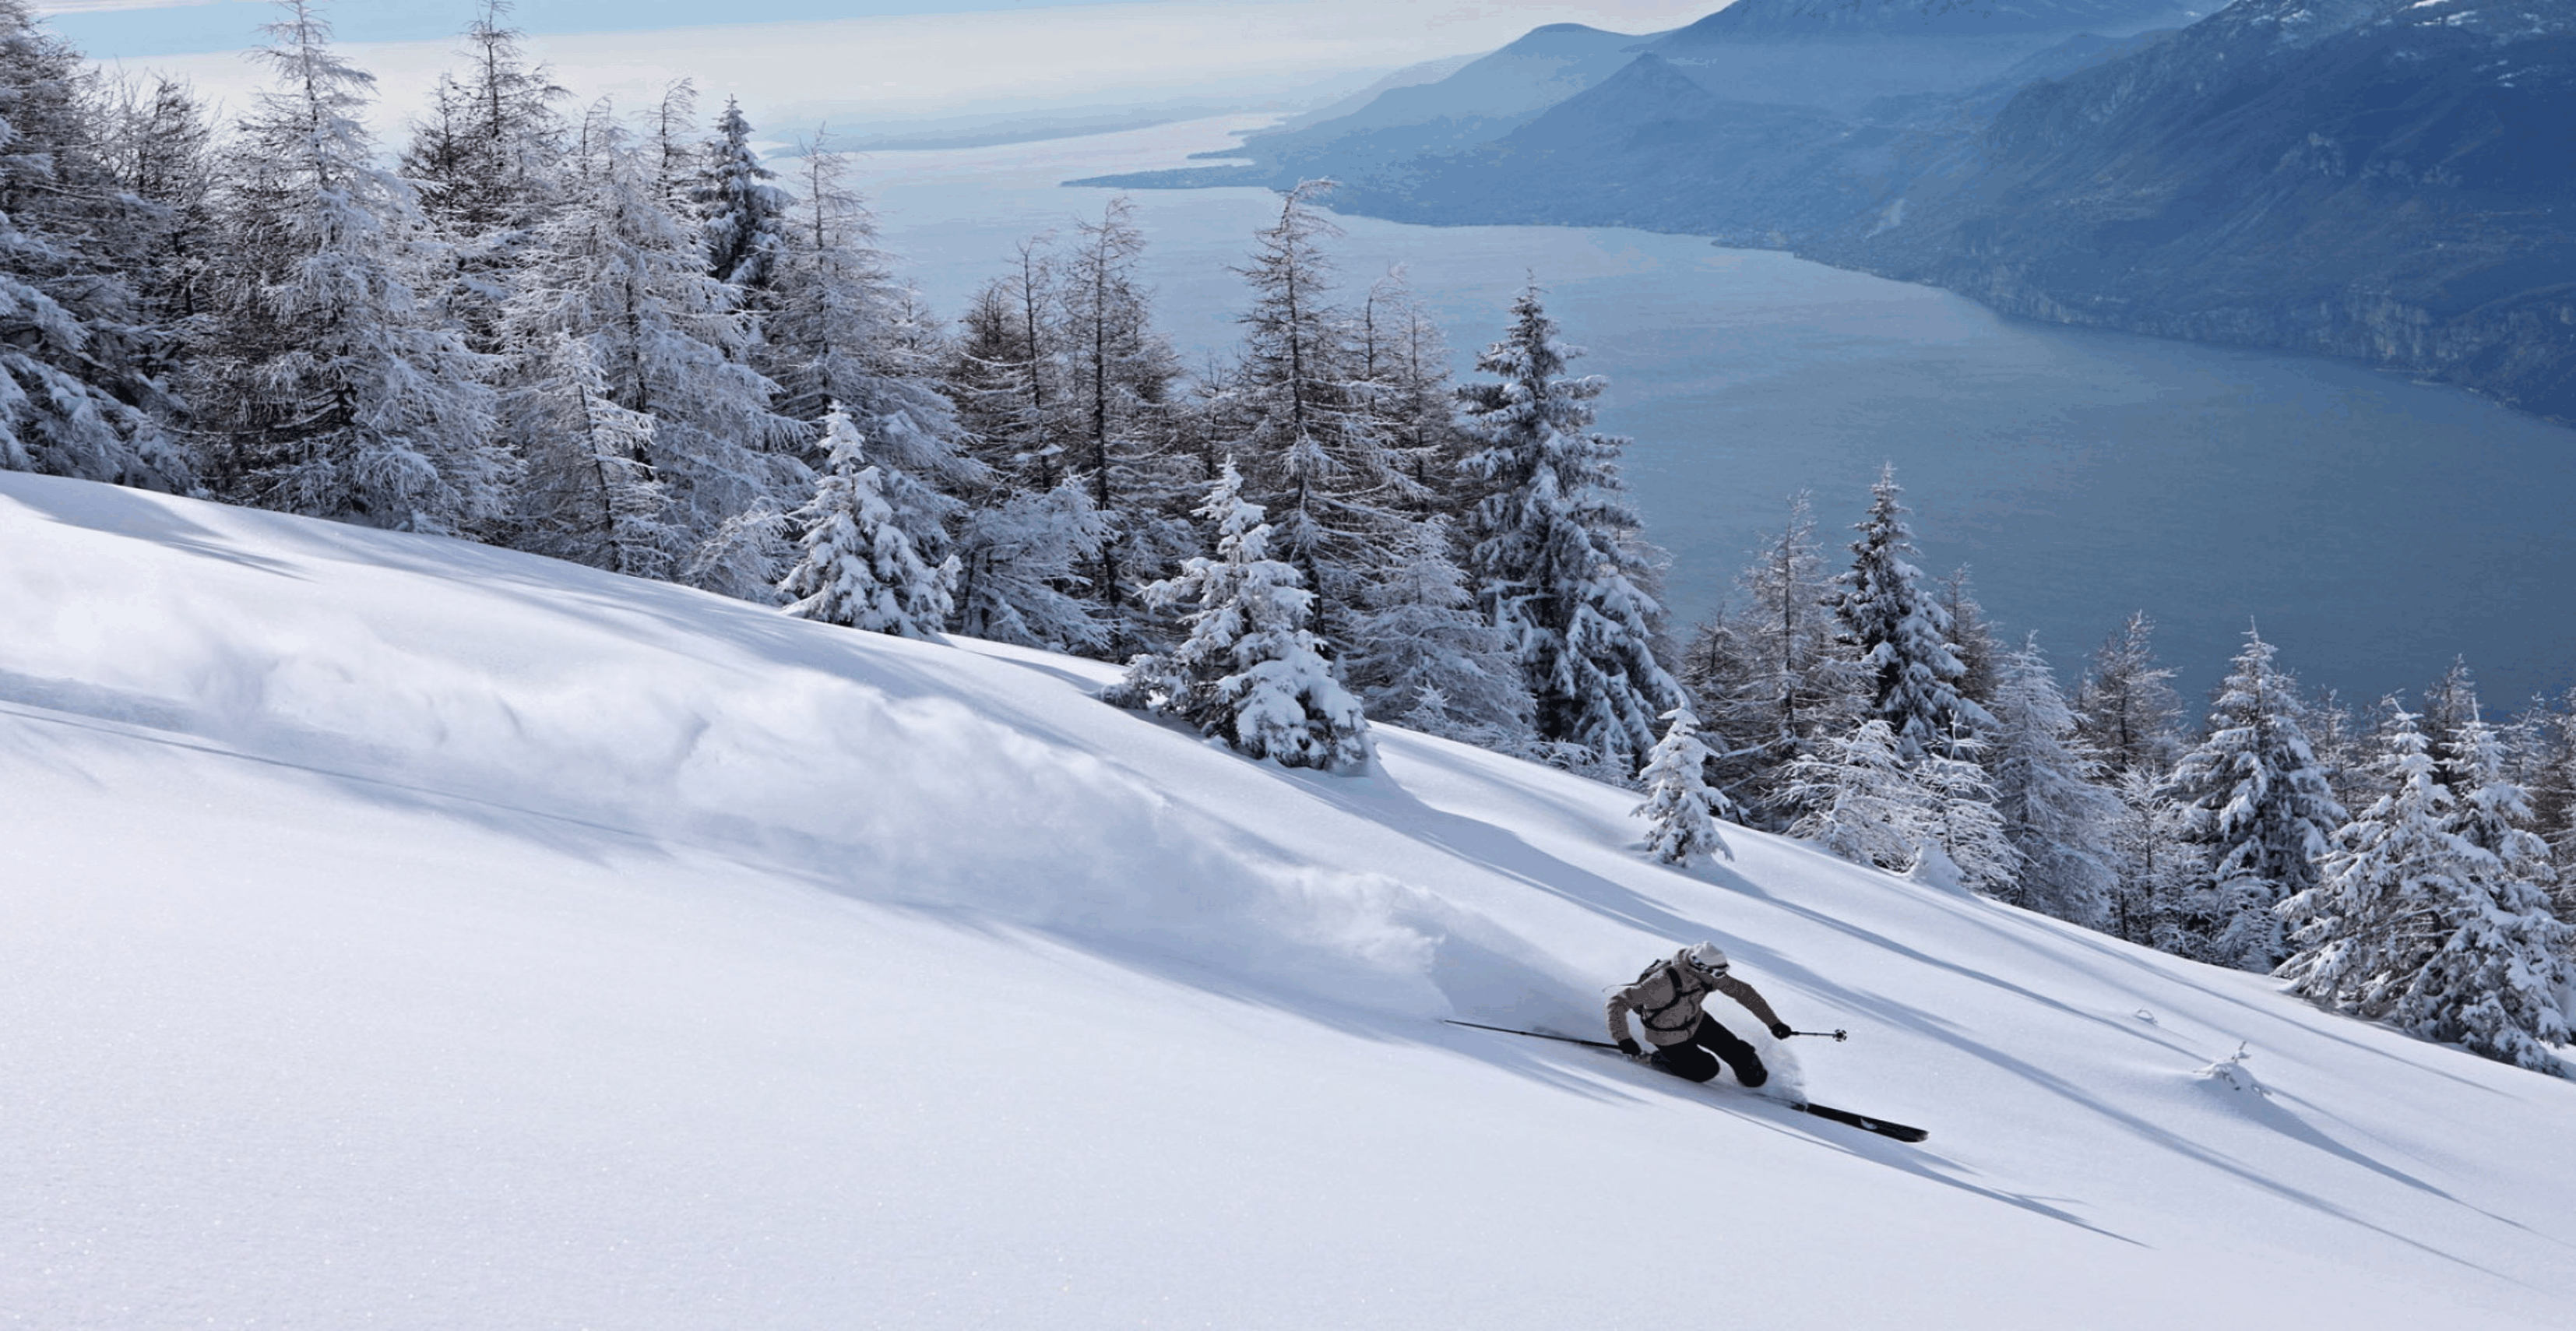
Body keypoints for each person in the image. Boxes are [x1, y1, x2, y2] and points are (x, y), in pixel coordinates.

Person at [1606, 942, 1796, 1087]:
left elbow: (1744, 993)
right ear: (1699, 967)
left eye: (1722, 972)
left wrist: (1774, 1023)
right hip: (1667, 1035)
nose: (1720, 977)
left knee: (1745, 1060)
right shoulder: (1662, 982)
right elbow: (1618, 1002)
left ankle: (1756, 1087)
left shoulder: (1710, 974)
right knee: (1705, 1070)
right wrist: (1624, 1039)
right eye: (1717, 973)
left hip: (1697, 1021)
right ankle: (1653, 1059)